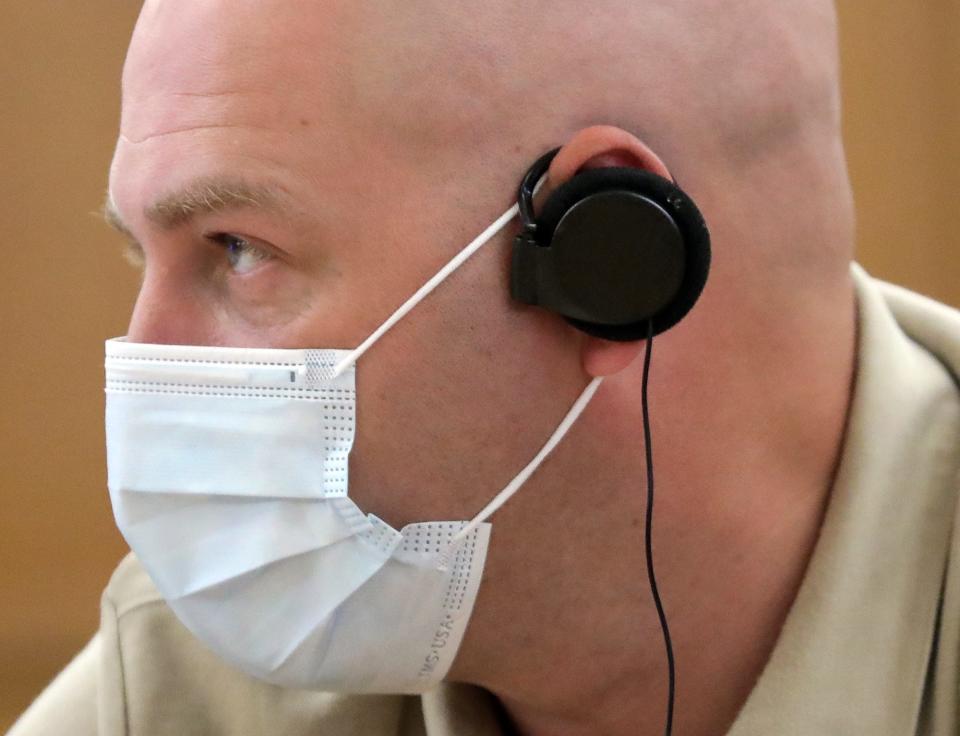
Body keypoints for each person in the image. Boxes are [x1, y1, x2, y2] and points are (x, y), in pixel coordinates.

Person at [9, 0, 960, 734]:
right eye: (144, 257)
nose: (148, 365)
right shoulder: (197, 681)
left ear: (610, 258)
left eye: (237, 249)